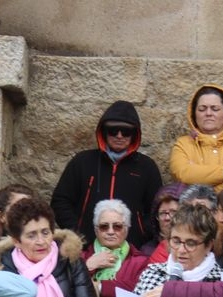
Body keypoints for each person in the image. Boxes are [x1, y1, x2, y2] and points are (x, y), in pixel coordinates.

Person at [51, 100, 162, 248]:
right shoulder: (82, 162)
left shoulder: (147, 167)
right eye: (113, 130)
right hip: (86, 247)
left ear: (135, 134)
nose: (119, 135)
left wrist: (139, 235)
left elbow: (157, 209)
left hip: (130, 250)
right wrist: (77, 232)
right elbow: (60, 201)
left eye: (126, 131)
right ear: (104, 131)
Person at [83, 199, 149, 297]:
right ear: (96, 230)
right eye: (104, 226)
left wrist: (99, 287)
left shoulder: (141, 262)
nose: (110, 231)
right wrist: (87, 267)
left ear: (126, 229)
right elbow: (67, 289)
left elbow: (139, 293)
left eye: (117, 226)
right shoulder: (80, 257)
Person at [141, 182, 187, 258]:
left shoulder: (197, 249)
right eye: (162, 213)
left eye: (173, 212)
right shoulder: (147, 252)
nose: (167, 218)